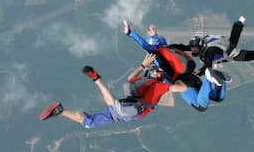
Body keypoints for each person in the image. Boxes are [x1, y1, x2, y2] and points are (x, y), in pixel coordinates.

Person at [39, 53, 188, 128]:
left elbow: (131, 77)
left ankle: (60, 111)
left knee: (88, 123)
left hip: (125, 110)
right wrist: (183, 81)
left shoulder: (145, 82)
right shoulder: (159, 86)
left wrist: (143, 65)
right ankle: (97, 80)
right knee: (116, 107)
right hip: (130, 111)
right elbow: (181, 87)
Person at [186, 16, 254, 85]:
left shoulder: (209, 52)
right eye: (192, 48)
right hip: (227, 45)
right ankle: (239, 23)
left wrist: (201, 73)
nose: (193, 50)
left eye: (195, 48)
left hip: (232, 53)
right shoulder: (205, 41)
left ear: (200, 45)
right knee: (233, 39)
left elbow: (208, 62)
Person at [122, 19, 195, 82]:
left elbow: (145, 45)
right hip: (186, 72)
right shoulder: (171, 48)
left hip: (177, 77)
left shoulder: (157, 55)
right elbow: (187, 47)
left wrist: (130, 33)